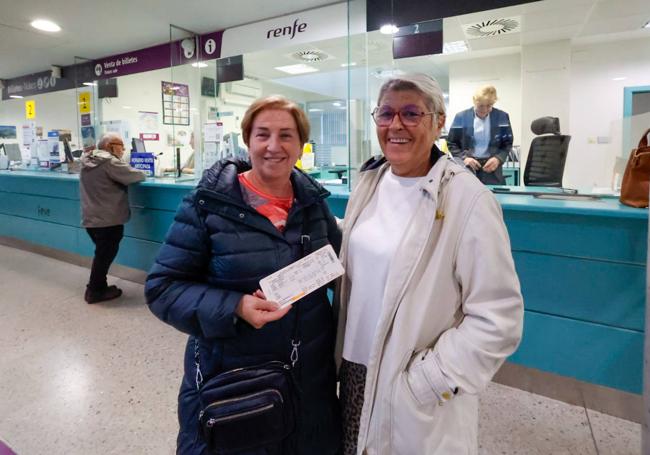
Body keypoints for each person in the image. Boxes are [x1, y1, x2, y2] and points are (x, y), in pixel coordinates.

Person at [335, 74, 523, 455]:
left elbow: (498, 319)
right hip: (354, 369)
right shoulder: (369, 181)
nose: (396, 125)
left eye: (411, 113)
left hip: (409, 385)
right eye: (386, 113)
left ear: (439, 122)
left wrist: (424, 382)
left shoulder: (467, 200)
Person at [145, 95, 342, 455]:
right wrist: (234, 306)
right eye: (262, 134)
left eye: (286, 135)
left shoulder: (314, 205)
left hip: (309, 381)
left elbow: (339, 266)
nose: (273, 146)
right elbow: (163, 289)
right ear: (247, 139)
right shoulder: (207, 205)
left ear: (301, 144)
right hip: (236, 383)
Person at [79, 132, 146, 304]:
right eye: (121, 145)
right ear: (110, 147)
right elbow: (137, 175)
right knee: (105, 254)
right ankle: (94, 291)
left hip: (92, 218)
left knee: (102, 254)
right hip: (108, 220)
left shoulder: (88, 160)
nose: (123, 149)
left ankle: (100, 287)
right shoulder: (109, 162)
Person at [447, 85, 514, 185]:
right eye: (481, 106)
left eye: (489, 106)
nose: (485, 109)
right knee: (468, 197)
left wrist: (498, 158)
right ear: (474, 101)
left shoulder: (502, 117)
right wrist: (464, 158)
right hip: (468, 167)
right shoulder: (461, 117)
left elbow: (507, 143)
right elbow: (452, 142)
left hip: (492, 169)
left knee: (494, 198)